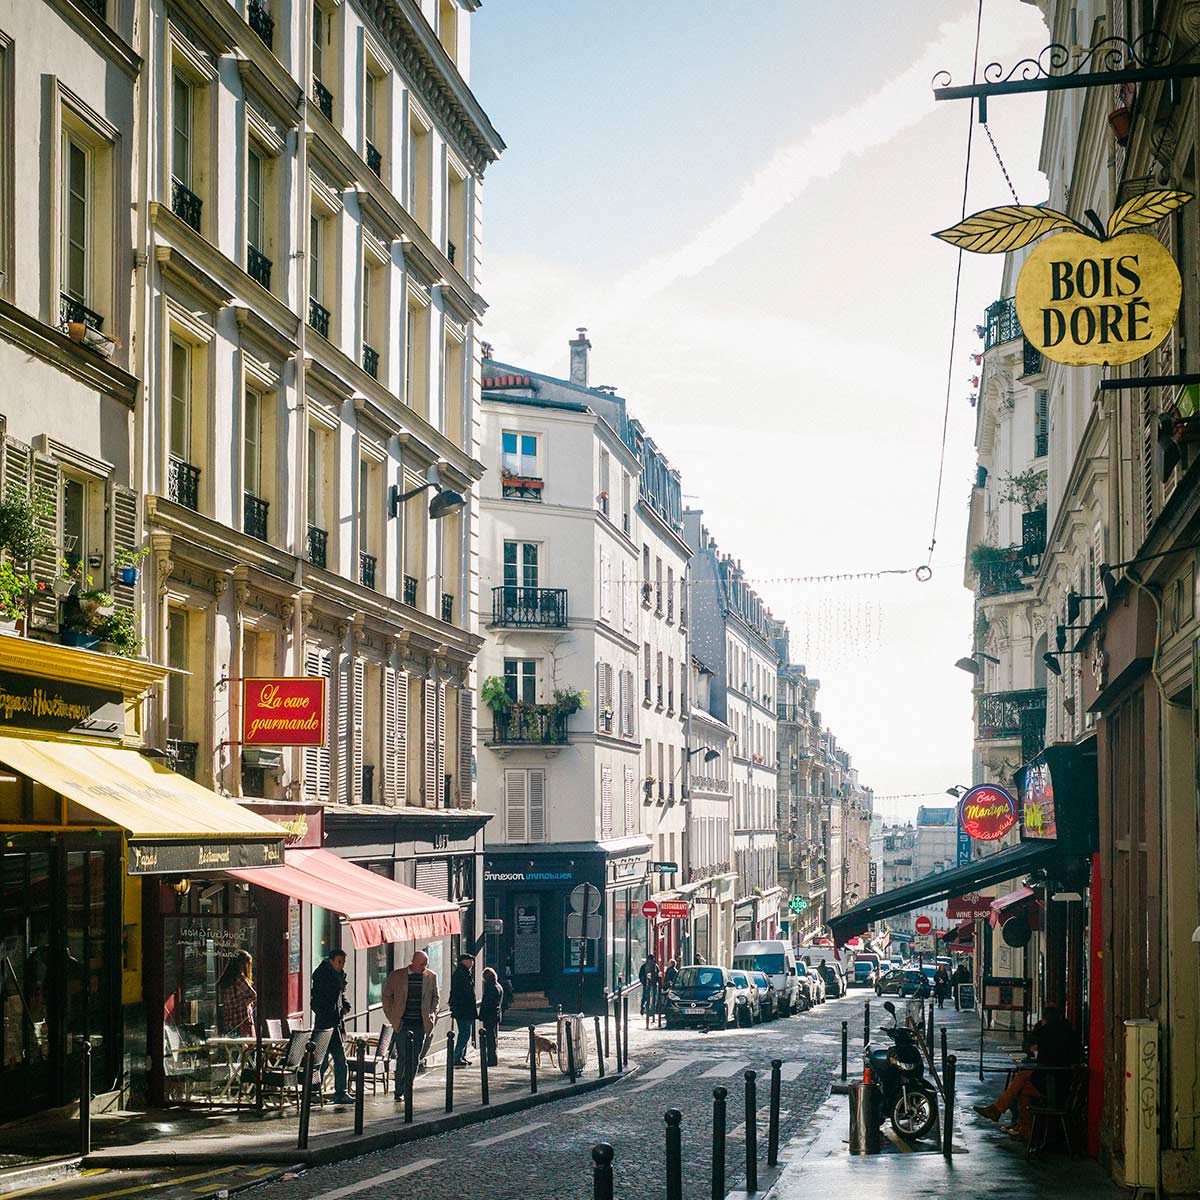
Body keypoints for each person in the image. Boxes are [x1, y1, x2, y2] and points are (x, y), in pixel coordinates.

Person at [973, 1005, 1082, 1138]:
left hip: (1054, 1085)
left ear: (1045, 1019)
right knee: (1023, 1087)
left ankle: (1001, 1111)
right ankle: (1021, 1126)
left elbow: (1044, 1059)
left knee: (1022, 1078)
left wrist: (1038, 1039)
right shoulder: (1068, 1032)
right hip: (1063, 1083)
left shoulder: (1048, 1033)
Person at [382, 950, 440, 1097]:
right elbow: (387, 997)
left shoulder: (431, 976)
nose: (424, 967)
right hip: (402, 1023)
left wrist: (432, 1014)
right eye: (421, 964)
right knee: (402, 1056)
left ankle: (408, 1086)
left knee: (415, 1057)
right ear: (413, 961)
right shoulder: (397, 976)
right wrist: (392, 1017)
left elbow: (436, 998)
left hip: (420, 1023)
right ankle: (399, 1089)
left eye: (426, 964)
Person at [311, 949, 352, 1104]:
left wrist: (345, 1006)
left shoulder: (337, 976)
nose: (341, 966)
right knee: (321, 1061)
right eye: (339, 962)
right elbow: (318, 1001)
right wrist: (330, 1013)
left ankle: (340, 1092)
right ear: (331, 960)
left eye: (343, 962)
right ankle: (315, 1091)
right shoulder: (323, 975)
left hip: (335, 1025)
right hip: (325, 1024)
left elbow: (340, 996)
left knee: (340, 1060)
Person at [217, 950, 256, 1037]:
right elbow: (253, 995)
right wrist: (247, 1001)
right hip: (242, 1019)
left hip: (229, 1020)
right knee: (247, 1048)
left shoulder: (225, 980)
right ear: (241, 965)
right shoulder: (239, 979)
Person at [448, 954, 478, 1066]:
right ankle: (457, 1056)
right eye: (470, 961)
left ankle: (461, 1056)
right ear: (464, 962)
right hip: (463, 1009)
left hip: (465, 1009)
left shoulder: (464, 973)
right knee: (465, 1033)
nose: (472, 963)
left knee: (465, 1033)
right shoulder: (461, 974)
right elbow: (464, 994)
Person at [479, 966, 504, 1067]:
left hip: (490, 1015)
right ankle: (493, 1058)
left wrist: (481, 1015)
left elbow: (487, 1003)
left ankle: (491, 1059)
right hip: (496, 1015)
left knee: (490, 1038)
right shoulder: (498, 986)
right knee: (493, 1037)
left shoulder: (490, 987)